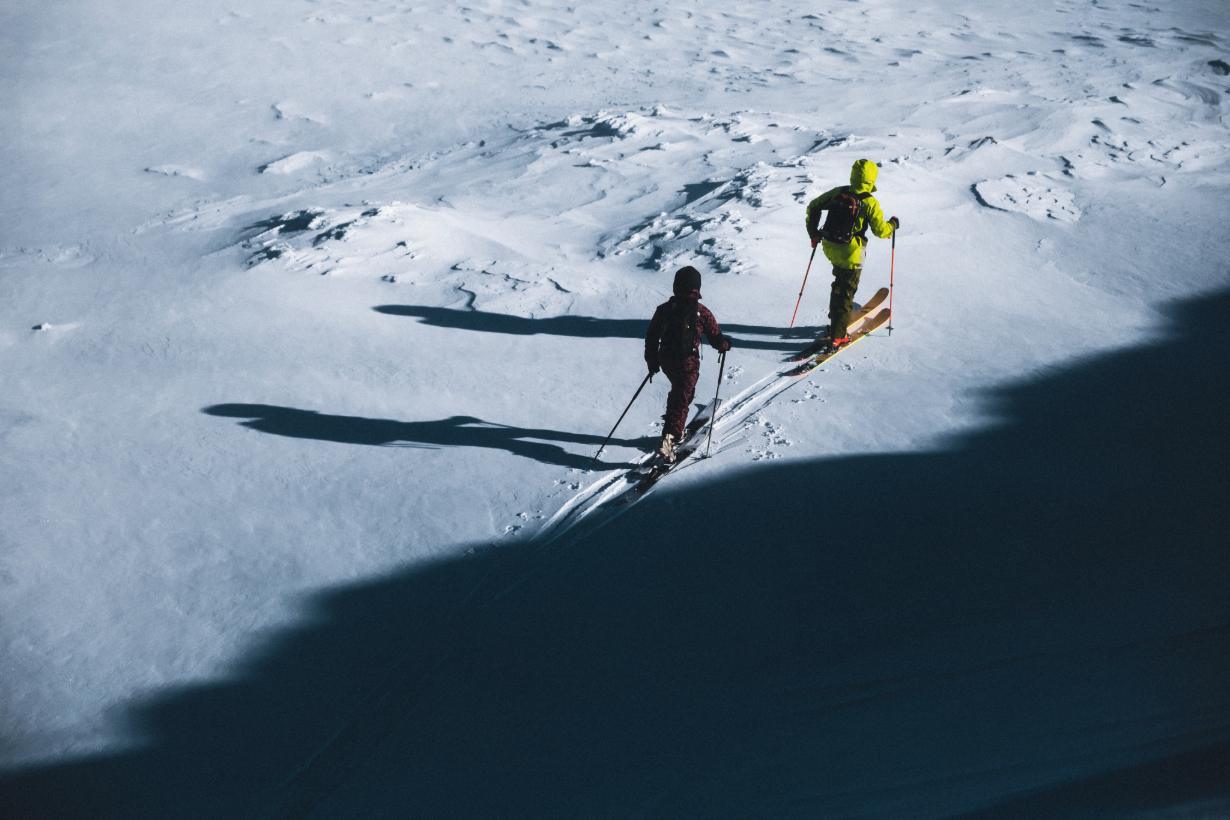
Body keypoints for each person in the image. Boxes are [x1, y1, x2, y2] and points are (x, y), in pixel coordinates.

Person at [805, 159, 899, 349]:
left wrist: (813, 233)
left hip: (831, 246)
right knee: (846, 292)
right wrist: (893, 225)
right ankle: (838, 335)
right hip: (852, 253)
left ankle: (836, 323)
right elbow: (881, 231)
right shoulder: (870, 202)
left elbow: (813, 206)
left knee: (839, 286)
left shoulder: (838, 192)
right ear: (872, 179)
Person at [645, 266, 732, 463]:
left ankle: (674, 427)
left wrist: (652, 362)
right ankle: (670, 440)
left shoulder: (664, 309)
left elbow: (651, 337)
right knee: (681, 397)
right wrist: (725, 344)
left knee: (680, 393)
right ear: (697, 288)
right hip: (688, 362)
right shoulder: (701, 312)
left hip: (666, 359)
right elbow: (716, 337)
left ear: (676, 286)